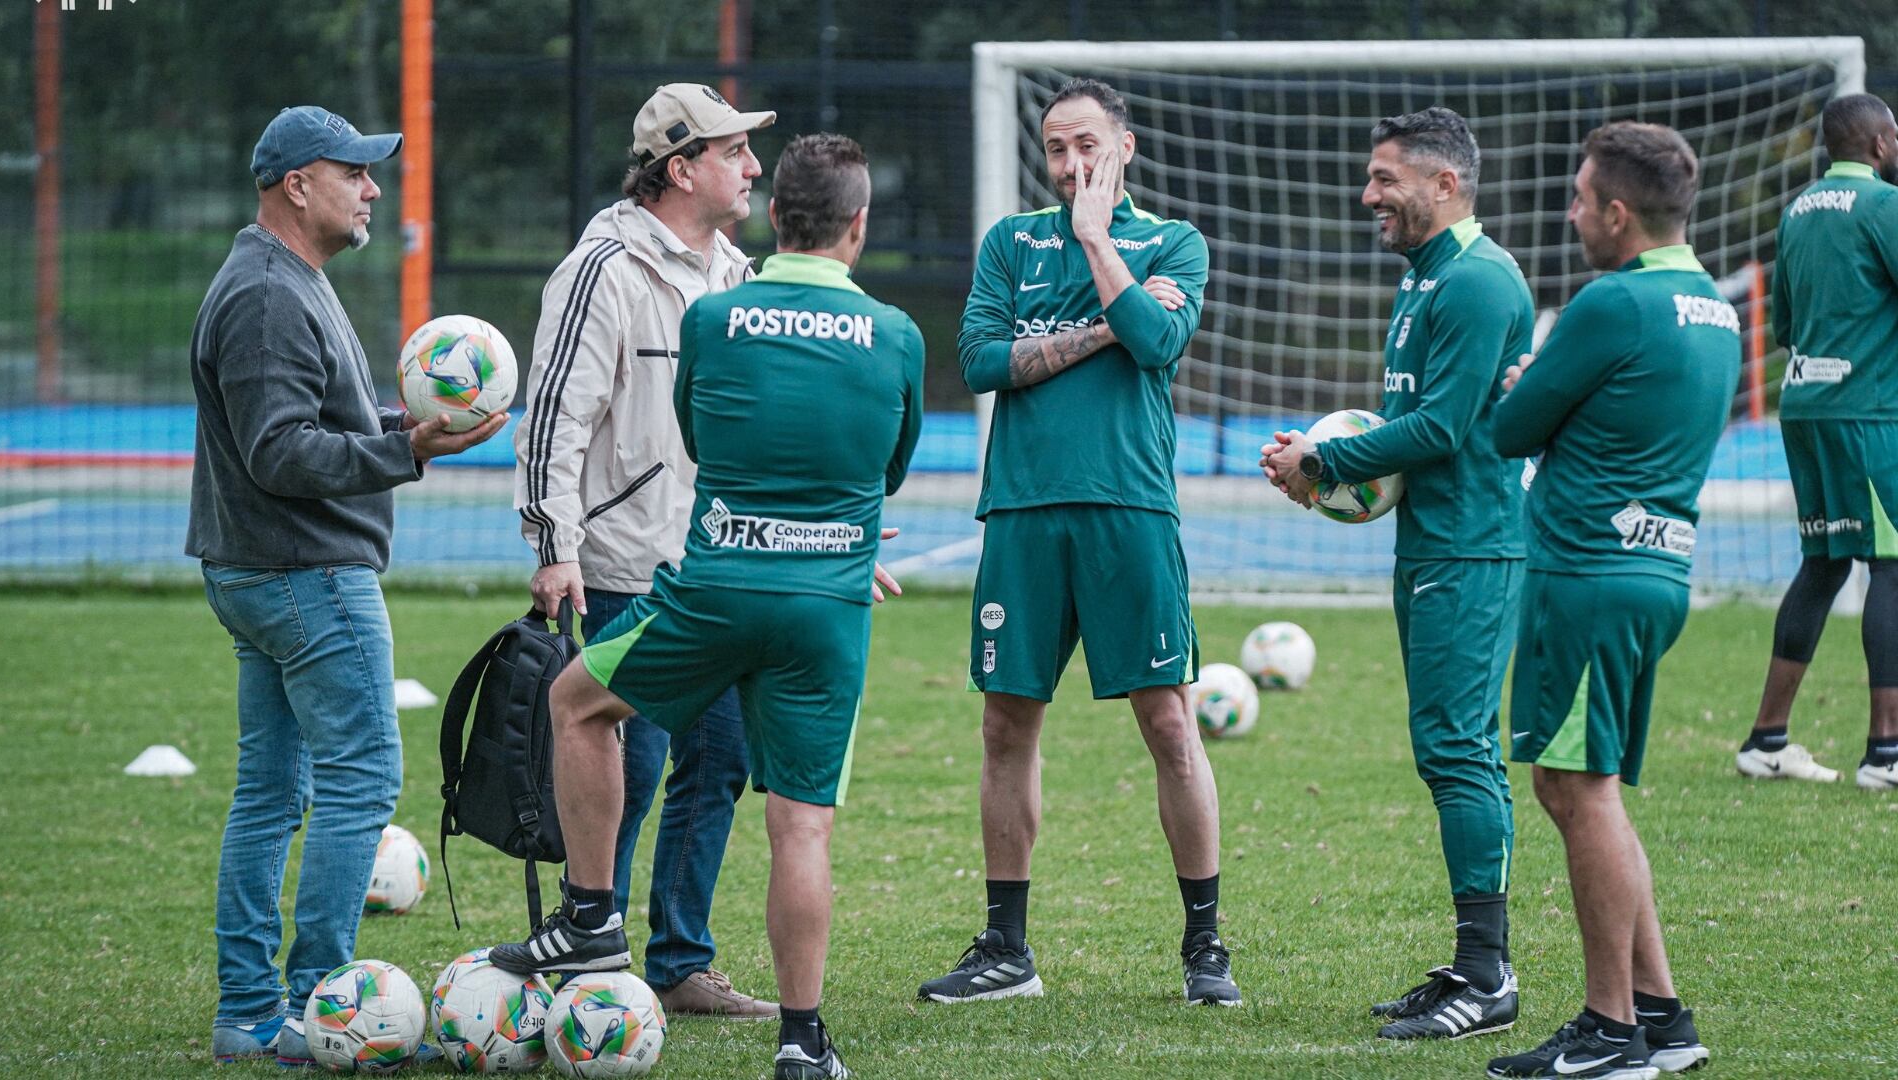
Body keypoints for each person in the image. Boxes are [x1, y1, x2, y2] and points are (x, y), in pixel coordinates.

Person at [491, 133, 923, 1080]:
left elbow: (698, 437)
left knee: (576, 702)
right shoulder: (896, 336)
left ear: (777, 220)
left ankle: (590, 917)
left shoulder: (716, 317)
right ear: (859, 226)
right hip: (828, 603)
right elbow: (884, 470)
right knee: (800, 826)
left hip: (713, 588)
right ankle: (804, 1043)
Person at [190, 106, 505, 1064]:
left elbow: (316, 417)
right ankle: (310, 1004)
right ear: (297, 184)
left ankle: (251, 1013)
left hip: (272, 570)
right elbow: (280, 452)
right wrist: (406, 447)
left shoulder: (289, 279)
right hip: (302, 574)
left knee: (272, 793)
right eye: (355, 172)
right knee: (363, 779)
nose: (373, 189)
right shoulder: (266, 295)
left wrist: (402, 428)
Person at [916, 77, 1238, 1008]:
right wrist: (1103, 326)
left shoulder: (1172, 242)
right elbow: (980, 362)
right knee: (1004, 724)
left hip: (1129, 509)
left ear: (1124, 147)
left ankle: (1204, 946)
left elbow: (1158, 341)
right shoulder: (1010, 244)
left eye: (1087, 146)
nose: (1071, 165)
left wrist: (1099, 244)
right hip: (1020, 511)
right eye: (1057, 149)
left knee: (1170, 724)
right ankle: (1007, 951)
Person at [1263, 107, 1532, 1039]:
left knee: (1460, 751)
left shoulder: (1478, 283)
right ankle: (1470, 963)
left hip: (1473, 545)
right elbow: (1402, 438)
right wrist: (1321, 460)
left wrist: (1323, 465)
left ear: (1444, 184)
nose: (1367, 194)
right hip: (1430, 541)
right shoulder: (1424, 281)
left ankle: (1488, 978)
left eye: (1386, 179)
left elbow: (1444, 432)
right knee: (1446, 750)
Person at [514, 83, 779, 1016]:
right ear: (681, 168)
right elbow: (556, 415)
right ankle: (596, 961)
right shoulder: (604, 267)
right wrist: (554, 543)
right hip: (627, 568)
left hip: (718, 569)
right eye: (734, 151)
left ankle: (677, 963)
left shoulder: (738, 276)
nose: (753, 167)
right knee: (624, 764)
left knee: (722, 762)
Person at [1484, 120, 1733, 1079]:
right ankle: (1663, 1017)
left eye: (1582, 198)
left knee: (1572, 790)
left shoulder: (1611, 303)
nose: (1572, 211)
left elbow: (1511, 428)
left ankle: (1607, 1030)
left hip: (1586, 574)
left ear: (1619, 214)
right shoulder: (1713, 305)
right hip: (1656, 573)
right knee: (1596, 792)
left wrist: (1527, 388)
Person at [1734, 92, 1898, 791]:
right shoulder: (1885, 208)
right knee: (1892, 566)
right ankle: (1887, 755)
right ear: (1881, 143)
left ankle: (1767, 739)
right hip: (1868, 413)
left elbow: (1787, 329)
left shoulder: (1797, 211)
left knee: (1827, 562)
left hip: (1805, 408)